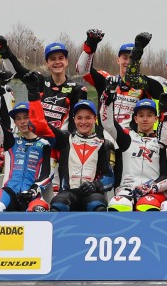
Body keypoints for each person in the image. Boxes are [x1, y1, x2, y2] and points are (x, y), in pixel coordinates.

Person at [23, 72, 114, 212]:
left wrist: (95, 185)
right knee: (58, 203)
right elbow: (38, 126)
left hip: (92, 195)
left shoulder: (104, 143)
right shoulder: (65, 139)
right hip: (68, 194)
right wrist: (33, 94)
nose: (83, 122)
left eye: (88, 118)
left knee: (97, 203)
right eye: (79, 118)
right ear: (74, 119)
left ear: (95, 119)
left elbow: (109, 177)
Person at [0, 80, 52, 212]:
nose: (23, 122)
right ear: (15, 122)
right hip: (9, 193)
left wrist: (34, 190)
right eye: (18, 118)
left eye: (26, 117)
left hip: (33, 194)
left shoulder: (45, 144)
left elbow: (47, 174)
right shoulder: (10, 141)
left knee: (39, 210)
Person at [100, 94, 167, 212]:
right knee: (118, 204)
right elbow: (108, 124)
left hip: (153, 192)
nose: (145, 119)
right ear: (135, 119)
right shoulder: (127, 138)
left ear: (156, 119)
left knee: (146, 205)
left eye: (149, 115)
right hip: (127, 189)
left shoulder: (163, 142)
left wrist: (151, 187)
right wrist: (107, 100)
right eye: (141, 115)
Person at [0, 36, 88, 131]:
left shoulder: (76, 88)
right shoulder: (40, 81)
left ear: (66, 61)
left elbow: (79, 120)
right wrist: (5, 52)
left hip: (63, 138)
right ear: (47, 63)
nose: (57, 62)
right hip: (39, 137)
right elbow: (19, 71)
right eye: (52, 59)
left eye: (61, 58)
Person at [75, 28, 152, 125]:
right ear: (118, 60)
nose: (128, 62)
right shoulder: (106, 79)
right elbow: (82, 70)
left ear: (138, 61)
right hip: (104, 133)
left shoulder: (144, 84)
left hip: (130, 134)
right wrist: (90, 46)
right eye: (125, 58)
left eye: (131, 59)